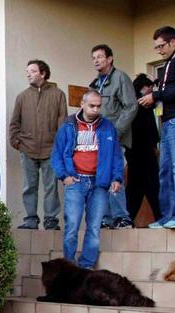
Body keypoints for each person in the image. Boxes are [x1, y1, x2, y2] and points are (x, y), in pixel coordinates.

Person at [51, 90, 124, 269]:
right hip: (76, 182)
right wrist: (65, 176)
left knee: (93, 228)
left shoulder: (108, 127)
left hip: (99, 183)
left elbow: (116, 155)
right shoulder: (68, 125)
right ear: (82, 105)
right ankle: (69, 266)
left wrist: (116, 178)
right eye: (92, 106)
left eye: (99, 106)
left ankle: (86, 266)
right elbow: (57, 154)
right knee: (72, 226)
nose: (95, 110)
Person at [139, 26, 175, 229]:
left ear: (172, 42)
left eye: (161, 46)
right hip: (167, 121)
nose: (159, 50)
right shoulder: (169, 62)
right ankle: (167, 215)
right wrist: (157, 86)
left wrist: (157, 95)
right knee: (165, 171)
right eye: (156, 47)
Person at [9, 59, 67, 230]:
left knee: (51, 187)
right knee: (29, 187)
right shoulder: (22, 97)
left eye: (33, 71)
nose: (28, 74)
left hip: (51, 150)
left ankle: (51, 221)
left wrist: (60, 146)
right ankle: (31, 220)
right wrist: (17, 142)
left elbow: (62, 122)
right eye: (27, 71)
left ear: (43, 73)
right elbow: (14, 123)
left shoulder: (58, 94)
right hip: (27, 149)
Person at [89, 44, 137, 229]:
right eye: (93, 57)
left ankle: (121, 217)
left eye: (100, 56)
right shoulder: (94, 84)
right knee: (101, 176)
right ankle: (106, 217)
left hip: (114, 136)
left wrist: (116, 131)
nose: (96, 60)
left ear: (110, 59)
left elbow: (131, 106)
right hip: (98, 138)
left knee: (114, 174)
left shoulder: (120, 78)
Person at [127, 74, 162, 223]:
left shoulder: (131, 100)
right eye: (150, 88)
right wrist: (157, 82)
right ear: (145, 87)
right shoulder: (141, 102)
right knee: (151, 185)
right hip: (144, 151)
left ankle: (128, 218)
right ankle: (160, 217)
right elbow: (159, 104)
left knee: (136, 187)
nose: (151, 92)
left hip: (134, 151)